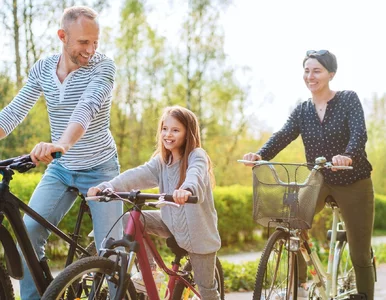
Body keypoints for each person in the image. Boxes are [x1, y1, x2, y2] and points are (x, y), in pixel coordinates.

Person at [0, 6, 123, 300]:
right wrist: (62, 152)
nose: (91, 50)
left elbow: (87, 107)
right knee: (28, 234)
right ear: (62, 36)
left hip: (101, 169)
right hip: (61, 168)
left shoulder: (104, 67)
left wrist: (63, 143)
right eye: (83, 42)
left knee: (113, 253)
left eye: (95, 42)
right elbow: (14, 112)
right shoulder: (43, 69)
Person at [243, 50, 374, 299]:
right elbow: (283, 135)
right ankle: (300, 286)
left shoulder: (348, 99)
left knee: (360, 253)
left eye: (316, 70)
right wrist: (260, 155)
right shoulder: (303, 110)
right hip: (319, 178)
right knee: (291, 221)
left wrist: (348, 155)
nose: (310, 76)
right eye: (306, 70)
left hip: (352, 179)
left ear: (331, 74)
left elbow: (359, 134)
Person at [88, 105, 222, 300]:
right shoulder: (161, 161)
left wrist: (186, 189)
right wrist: (107, 186)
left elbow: (196, 173)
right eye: (165, 129)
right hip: (170, 222)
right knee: (129, 220)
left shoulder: (196, 155)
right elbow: (136, 175)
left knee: (207, 290)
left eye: (175, 130)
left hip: (199, 234)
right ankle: (149, 272)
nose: (168, 134)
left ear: (188, 133)